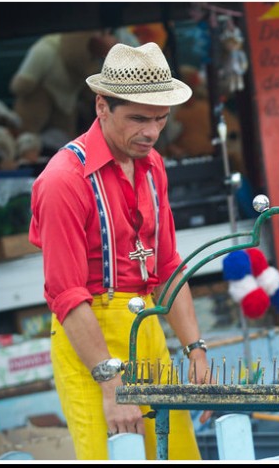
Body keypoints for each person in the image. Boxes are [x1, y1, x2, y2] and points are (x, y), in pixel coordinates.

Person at [29, 42, 212, 460]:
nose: (151, 132)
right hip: (89, 341)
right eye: (138, 118)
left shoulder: (153, 164)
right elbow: (67, 295)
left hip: (146, 330)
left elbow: (166, 268)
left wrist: (195, 350)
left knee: (177, 455)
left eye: (161, 119)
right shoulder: (63, 181)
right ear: (101, 107)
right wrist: (111, 385)